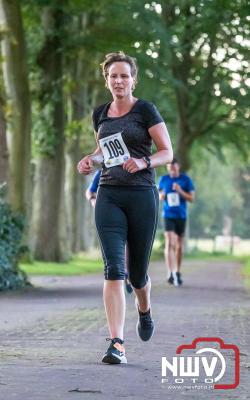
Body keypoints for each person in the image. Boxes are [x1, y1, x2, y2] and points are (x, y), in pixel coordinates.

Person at [77, 51, 173, 365]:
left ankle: (144, 310)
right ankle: (117, 343)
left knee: (137, 274)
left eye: (124, 75)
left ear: (133, 79)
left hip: (142, 195)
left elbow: (166, 152)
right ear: (107, 80)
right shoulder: (100, 113)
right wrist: (91, 161)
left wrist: (144, 161)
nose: (119, 81)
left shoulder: (145, 110)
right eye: (113, 76)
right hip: (109, 195)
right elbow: (103, 151)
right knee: (114, 270)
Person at [85, 170, 133, 294]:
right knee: (117, 245)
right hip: (109, 213)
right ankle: (122, 272)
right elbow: (90, 190)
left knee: (129, 242)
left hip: (130, 212)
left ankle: (128, 272)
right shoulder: (102, 171)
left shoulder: (131, 167)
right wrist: (93, 200)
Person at [158, 158, 195, 287]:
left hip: (181, 215)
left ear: (178, 167)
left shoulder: (186, 180)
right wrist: (161, 196)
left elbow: (191, 198)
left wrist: (180, 191)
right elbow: (159, 194)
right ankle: (170, 272)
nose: (171, 170)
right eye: (169, 168)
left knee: (179, 245)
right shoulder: (163, 179)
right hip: (168, 215)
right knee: (170, 241)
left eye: (173, 168)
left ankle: (177, 271)